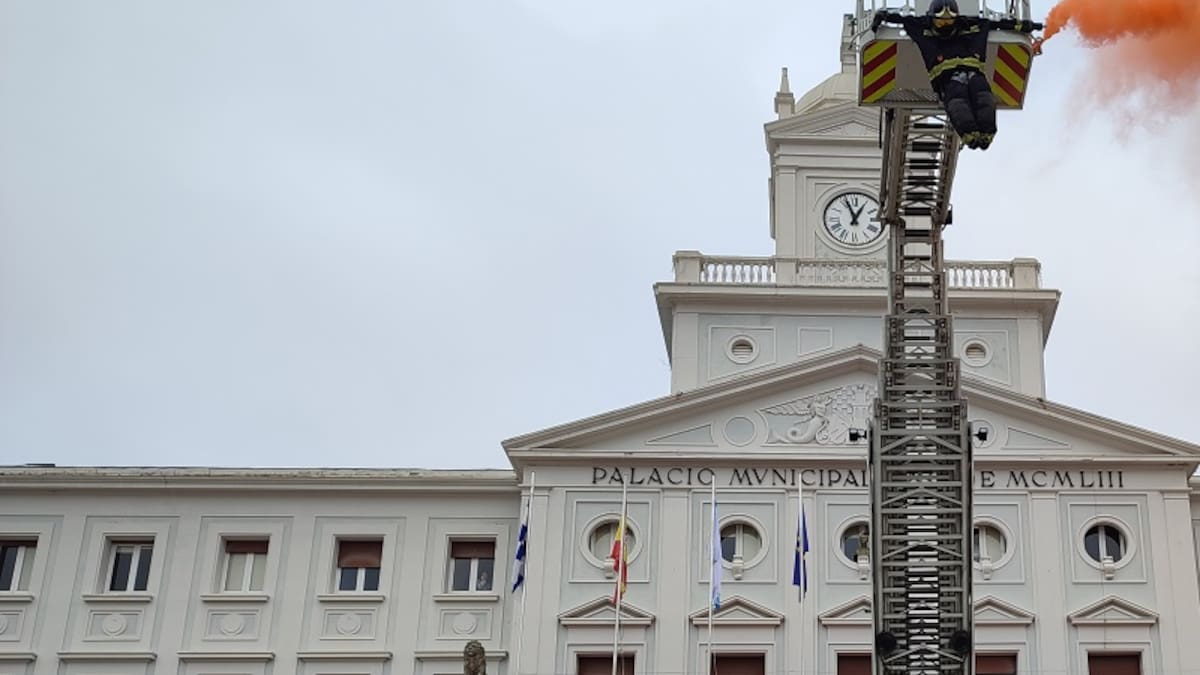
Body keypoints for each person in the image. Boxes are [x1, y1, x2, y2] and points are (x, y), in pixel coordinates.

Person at [871, 0, 1043, 150]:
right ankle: (969, 134)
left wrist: (1024, 26)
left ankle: (987, 133)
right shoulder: (921, 27)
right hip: (948, 79)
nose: (945, 26)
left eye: (949, 21)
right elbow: (900, 19)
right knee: (957, 100)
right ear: (932, 19)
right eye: (941, 22)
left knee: (983, 96)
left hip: (974, 73)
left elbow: (998, 24)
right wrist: (882, 17)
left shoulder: (969, 25)